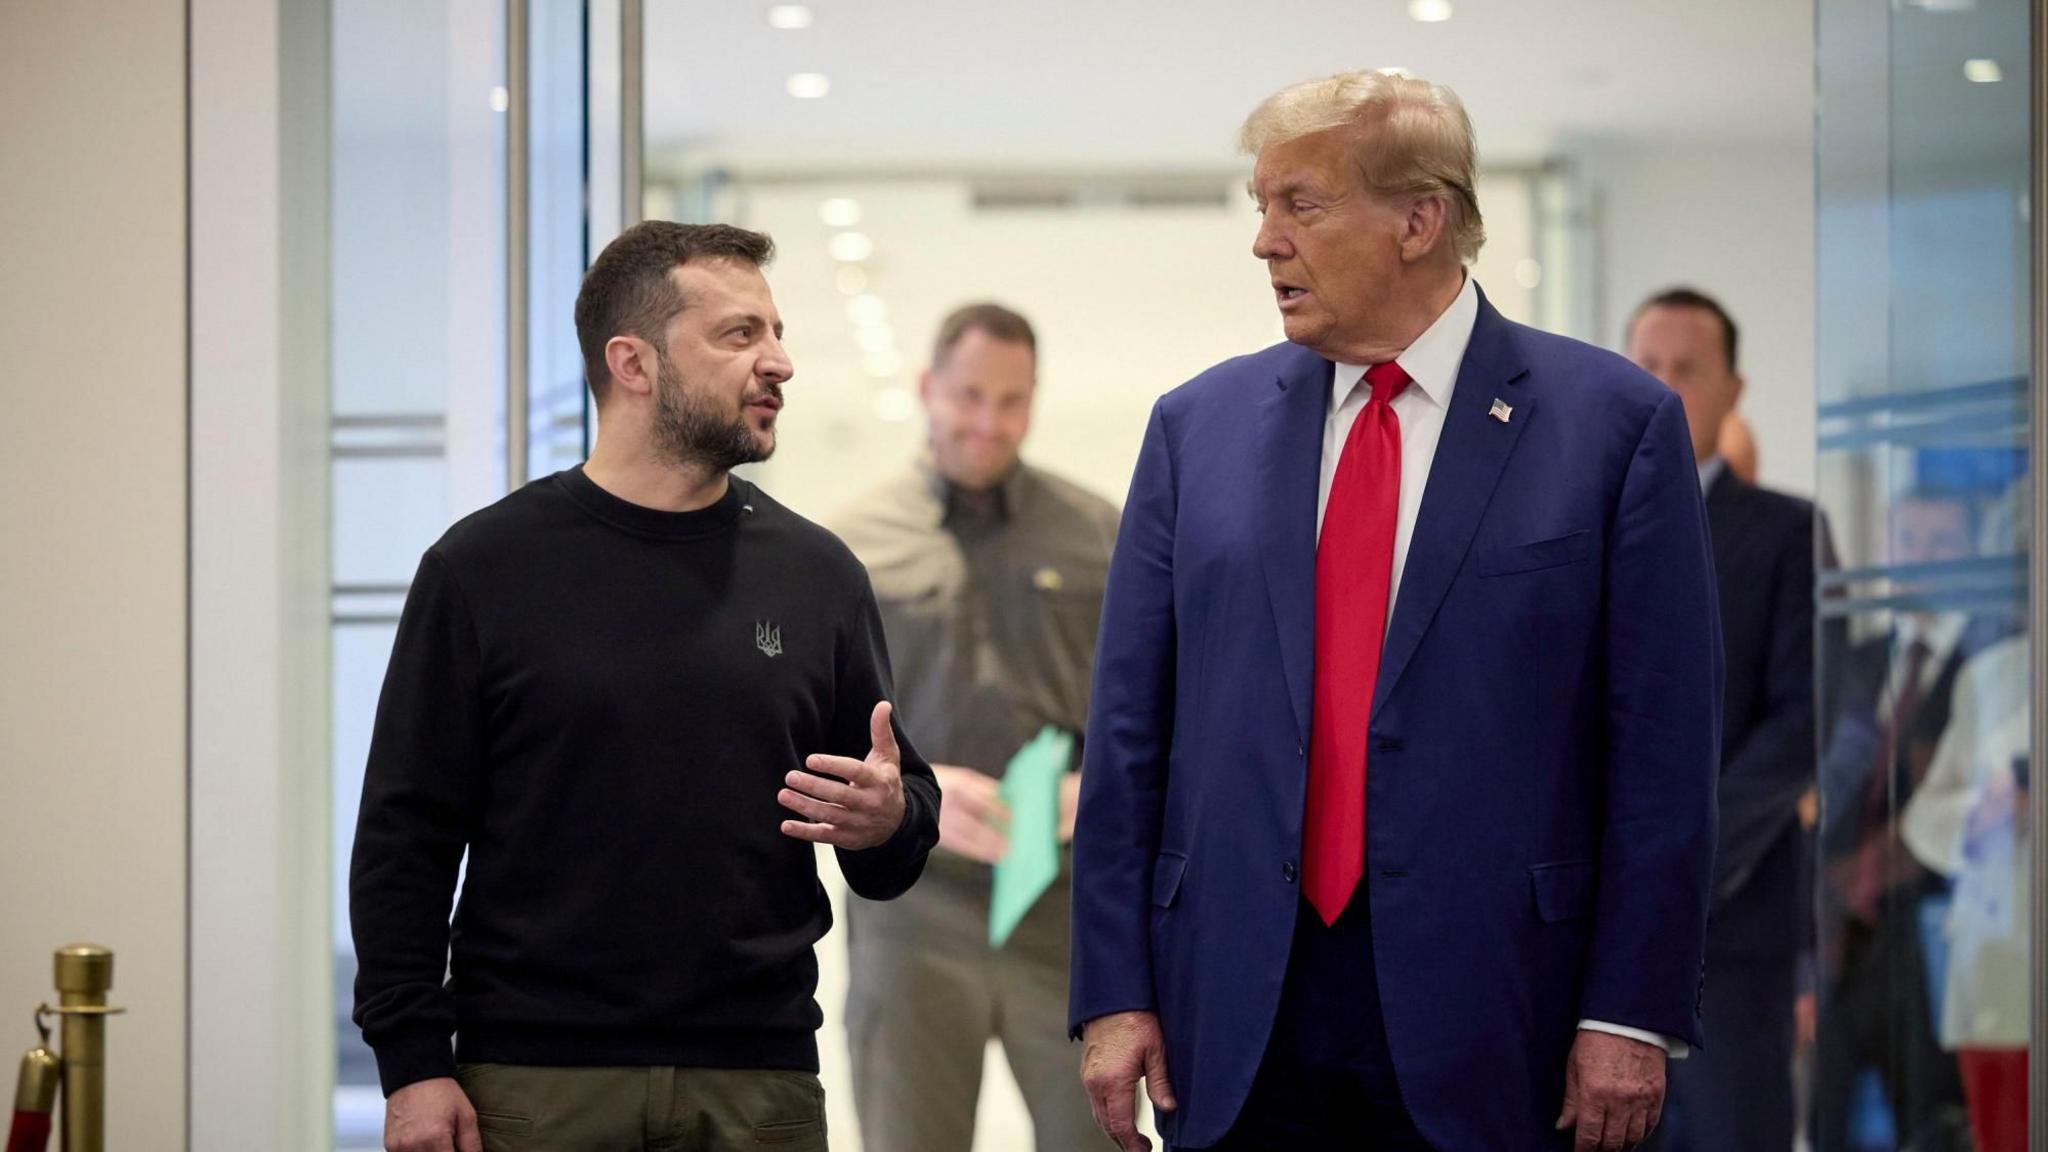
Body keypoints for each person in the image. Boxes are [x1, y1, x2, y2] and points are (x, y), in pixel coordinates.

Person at [1070, 71, 1721, 1151]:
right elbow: (1129, 732)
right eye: (1260, 206)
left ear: (1419, 219)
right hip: (1232, 1009)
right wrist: (1112, 992)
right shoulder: (1196, 428)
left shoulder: (1613, 428)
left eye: (1301, 205)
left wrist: (1628, 1011)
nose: (1264, 242)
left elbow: (1660, 753)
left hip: (1504, 1011)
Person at [349, 221, 940, 1152]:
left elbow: (894, 829)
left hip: (759, 1085)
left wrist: (890, 817)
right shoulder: (484, 568)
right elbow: (405, 837)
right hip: (532, 1083)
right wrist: (414, 1065)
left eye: (777, 332)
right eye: (740, 334)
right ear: (633, 362)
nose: (780, 361)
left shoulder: (819, 574)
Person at [832, 302, 1119, 1151]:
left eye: (1011, 400)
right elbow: (810, 721)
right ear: (927, 388)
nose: (988, 422)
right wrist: (912, 791)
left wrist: (1093, 790)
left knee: (1095, 1138)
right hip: (911, 903)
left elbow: (1160, 708)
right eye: (968, 396)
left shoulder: (1100, 534)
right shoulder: (852, 546)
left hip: (1068, 904)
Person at [1625, 287, 1817, 1151]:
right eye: (1646, 369)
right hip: (1590, 945)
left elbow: (1802, 720)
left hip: (1731, 938)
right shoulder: (1574, 532)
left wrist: (1685, 858)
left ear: (1732, 389)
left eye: (1687, 371)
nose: (1664, 390)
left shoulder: (1786, 533)